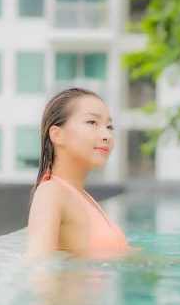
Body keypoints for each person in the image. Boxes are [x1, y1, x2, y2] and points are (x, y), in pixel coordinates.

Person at [27, 87, 137, 260]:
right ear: (57, 135)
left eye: (109, 126)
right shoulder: (51, 192)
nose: (107, 135)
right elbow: (38, 268)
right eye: (92, 122)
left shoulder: (82, 197)